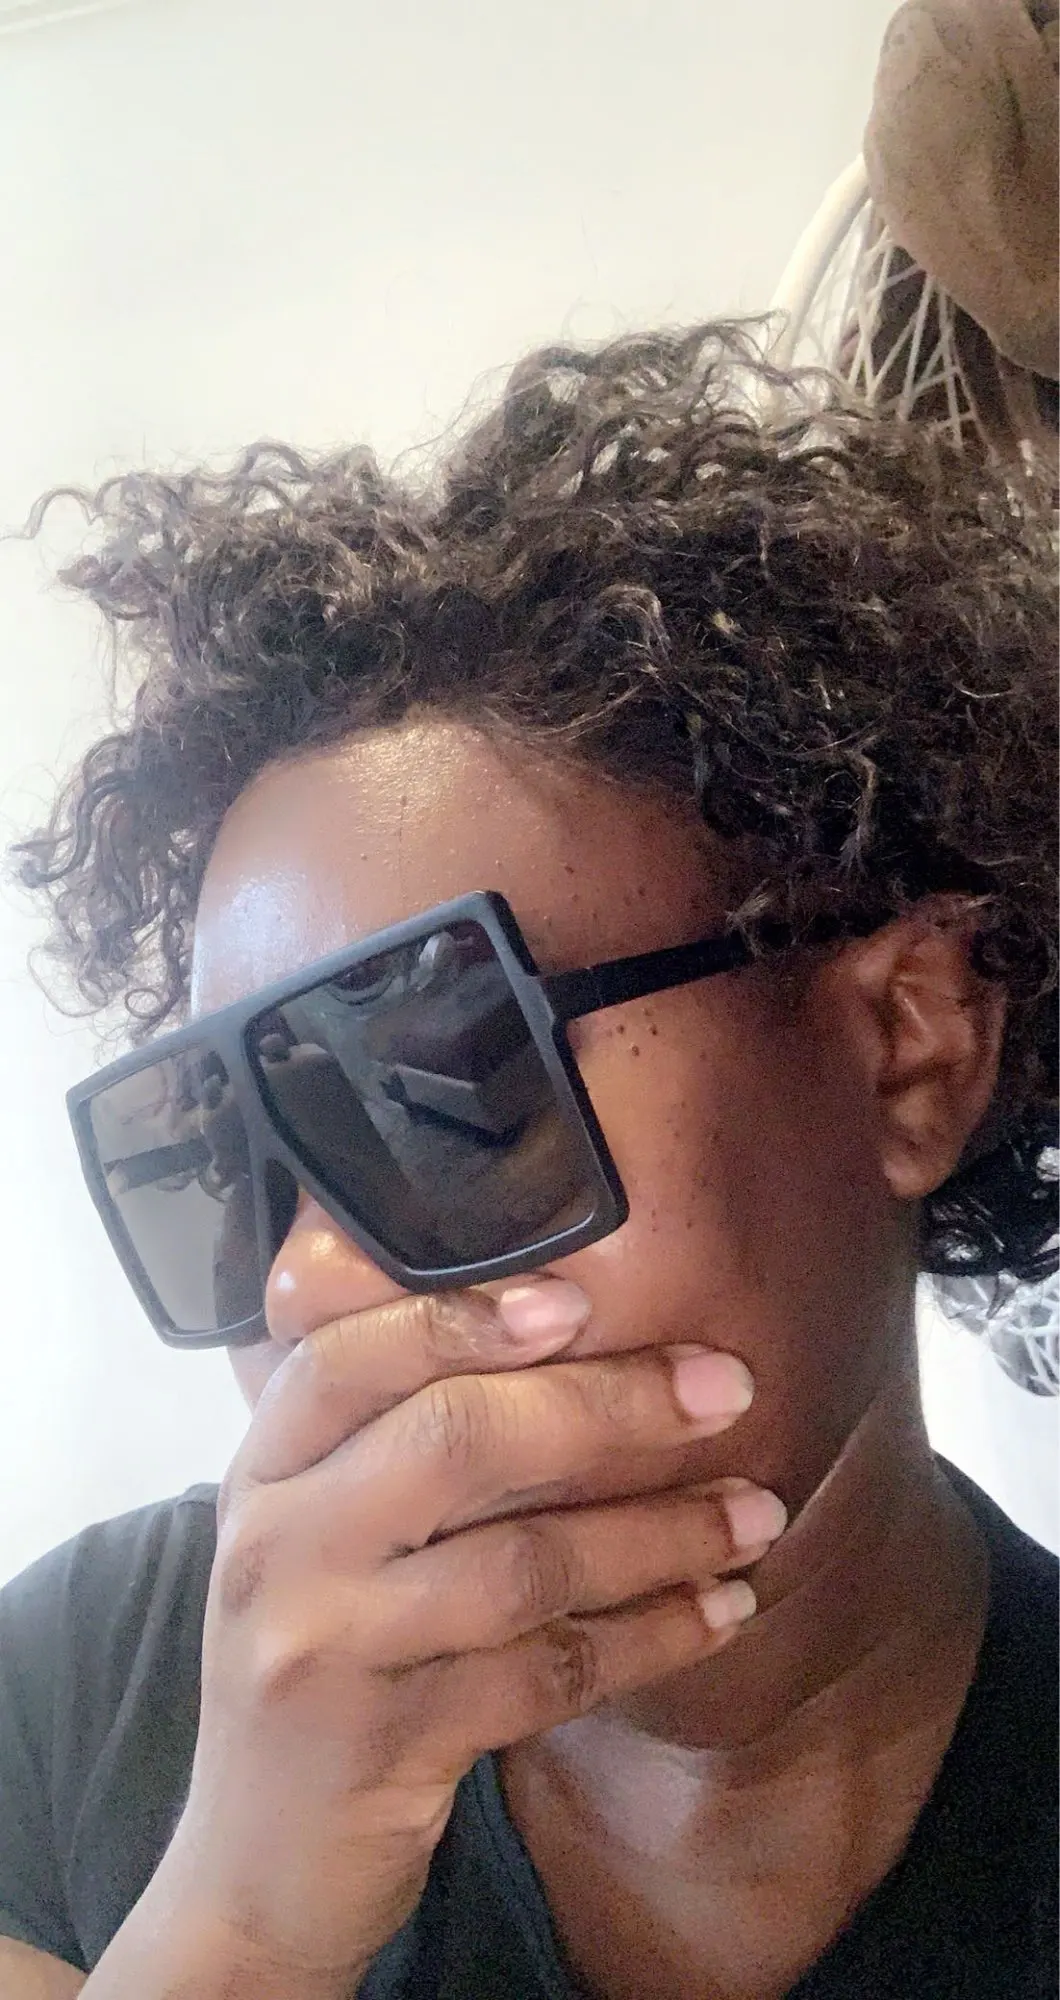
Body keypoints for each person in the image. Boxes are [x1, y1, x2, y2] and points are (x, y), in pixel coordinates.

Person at [0, 324, 1055, 2000]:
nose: (301, 1282)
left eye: (440, 1093)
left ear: (910, 1045)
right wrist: (242, 1929)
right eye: (221, 1155)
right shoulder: (78, 1692)